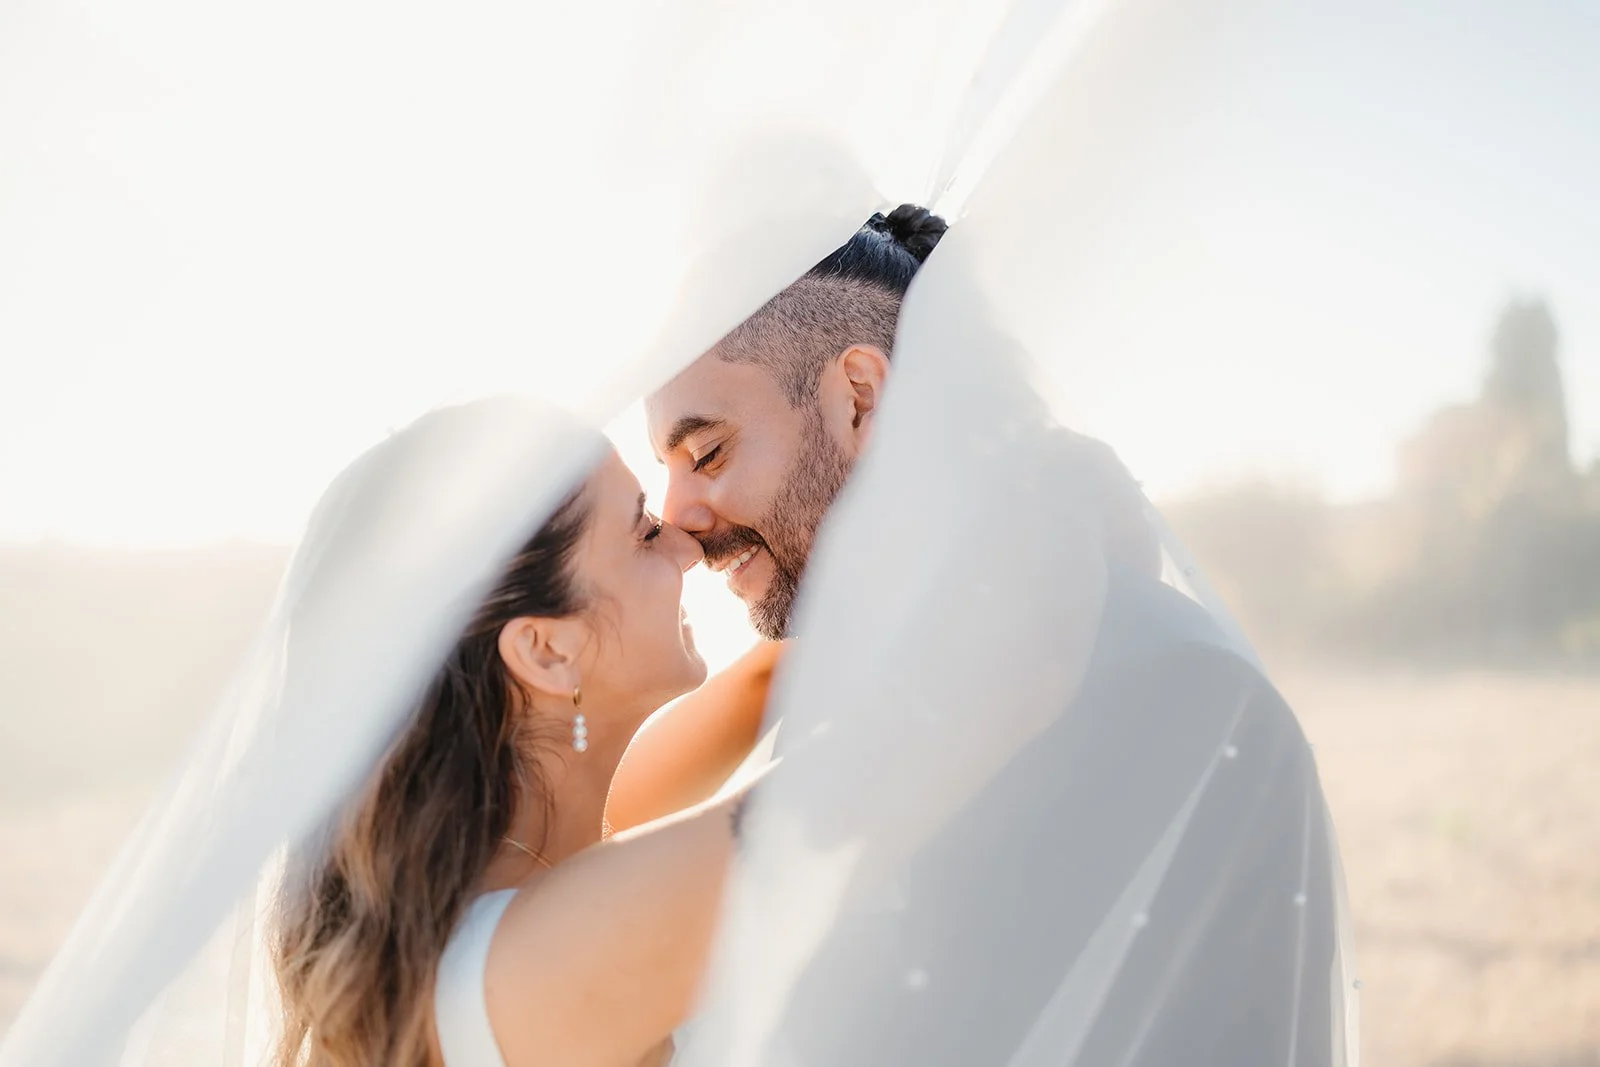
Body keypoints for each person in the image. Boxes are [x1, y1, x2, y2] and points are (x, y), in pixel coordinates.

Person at [642, 205, 1345, 1066]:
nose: (679, 522)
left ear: (858, 397)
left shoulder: (1186, 692)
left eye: (707, 454)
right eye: (666, 474)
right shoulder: (816, 703)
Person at [267, 398, 780, 1067]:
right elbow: (879, 763)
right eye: (644, 532)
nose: (686, 545)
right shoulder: (539, 956)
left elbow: (767, 681)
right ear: (545, 650)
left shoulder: (557, 847)